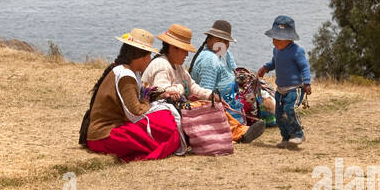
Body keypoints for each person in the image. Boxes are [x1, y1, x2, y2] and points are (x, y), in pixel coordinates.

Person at [82, 29, 182, 161]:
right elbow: (135, 111)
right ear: (141, 56)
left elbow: (139, 97)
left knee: (164, 118)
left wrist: (159, 95)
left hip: (105, 133)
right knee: (165, 121)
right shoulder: (126, 76)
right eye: (149, 56)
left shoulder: (128, 71)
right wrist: (146, 102)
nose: (149, 60)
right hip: (105, 136)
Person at [189, 19, 266, 144]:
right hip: (218, 106)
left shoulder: (225, 53)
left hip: (231, 102)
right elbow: (207, 97)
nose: (224, 44)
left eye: (226, 42)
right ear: (209, 40)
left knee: (265, 102)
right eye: (220, 40)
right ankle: (238, 132)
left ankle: (243, 126)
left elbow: (233, 72)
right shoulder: (209, 60)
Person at [257, 14, 311, 148]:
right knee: (279, 114)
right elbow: (274, 62)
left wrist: (307, 82)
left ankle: (298, 134)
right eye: (273, 38)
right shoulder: (277, 50)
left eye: (278, 39)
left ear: (288, 39)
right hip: (280, 89)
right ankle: (286, 137)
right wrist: (266, 68)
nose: (274, 42)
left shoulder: (297, 51)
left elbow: (304, 67)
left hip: (295, 88)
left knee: (289, 109)